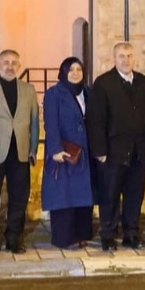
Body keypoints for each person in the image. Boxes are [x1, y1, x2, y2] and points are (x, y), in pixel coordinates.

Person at [87, 42, 145, 251]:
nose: (126, 60)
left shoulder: (142, 82)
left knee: (135, 195)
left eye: (129, 56)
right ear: (114, 58)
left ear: (135, 58)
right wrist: (100, 150)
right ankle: (108, 234)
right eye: (121, 56)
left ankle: (131, 233)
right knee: (110, 195)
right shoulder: (103, 83)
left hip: (138, 150)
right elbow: (96, 119)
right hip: (113, 151)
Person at [0, 48, 41, 254]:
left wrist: (33, 148)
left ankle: (14, 238)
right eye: (5, 62)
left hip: (20, 153)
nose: (10, 66)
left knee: (19, 198)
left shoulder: (29, 90)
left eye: (14, 62)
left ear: (19, 66)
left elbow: (34, 121)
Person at [42, 57, 95, 250]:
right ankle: (64, 238)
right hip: (64, 152)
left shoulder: (89, 92)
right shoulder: (54, 94)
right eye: (70, 69)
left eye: (79, 69)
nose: (75, 73)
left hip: (85, 153)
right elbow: (51, 122)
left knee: (82, 196)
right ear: (63, 72)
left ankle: (81, 235)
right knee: (64, 196)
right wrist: (55, 149)